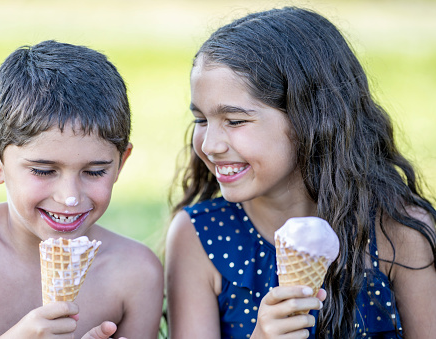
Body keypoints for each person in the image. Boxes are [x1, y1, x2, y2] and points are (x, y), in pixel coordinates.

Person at [165, 7, 436, 339]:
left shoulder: (399, 231)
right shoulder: (198, 236)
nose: (210, 144)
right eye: (201, 120)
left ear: (310, 119)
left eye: (235, 121)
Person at [0, 40, 164, 339]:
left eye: (95, 171)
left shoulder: (136, 273)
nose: (70, 197)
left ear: (120, 163)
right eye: (43, 170)